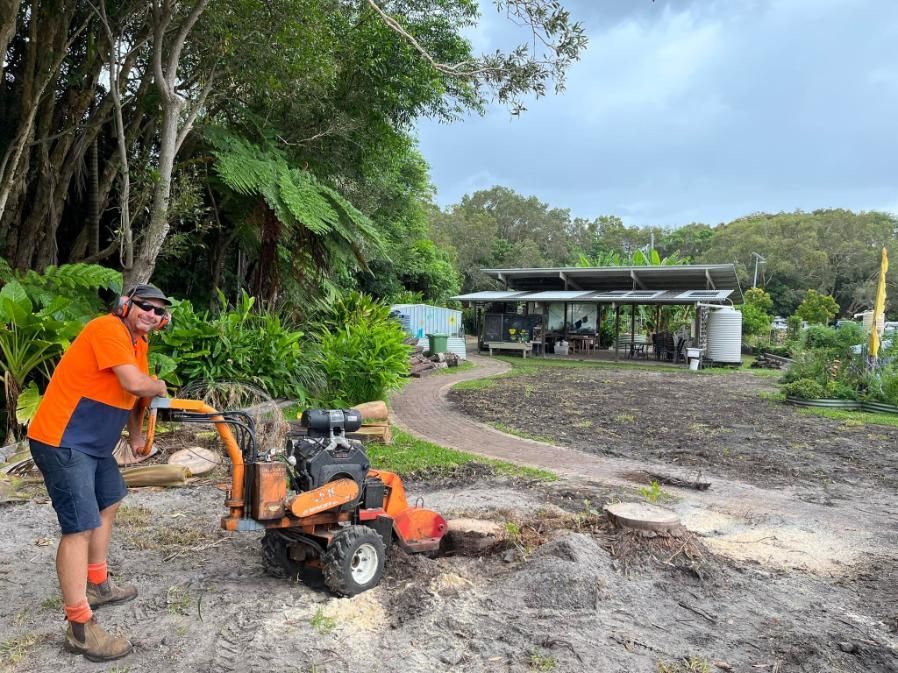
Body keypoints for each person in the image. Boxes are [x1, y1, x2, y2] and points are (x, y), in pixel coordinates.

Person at [27, 283, 171, 662]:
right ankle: (79, 628)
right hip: (62, 439)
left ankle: (98, 583)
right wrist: (158, 385)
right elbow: (137, 384)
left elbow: (136, 397)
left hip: (92, 445)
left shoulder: (138, 343)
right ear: (125, 305)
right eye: (145, 306)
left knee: (109, 499)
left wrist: (138, 437)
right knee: (79, 527)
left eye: (159, 311)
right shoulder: (106, 329)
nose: (152, 315)